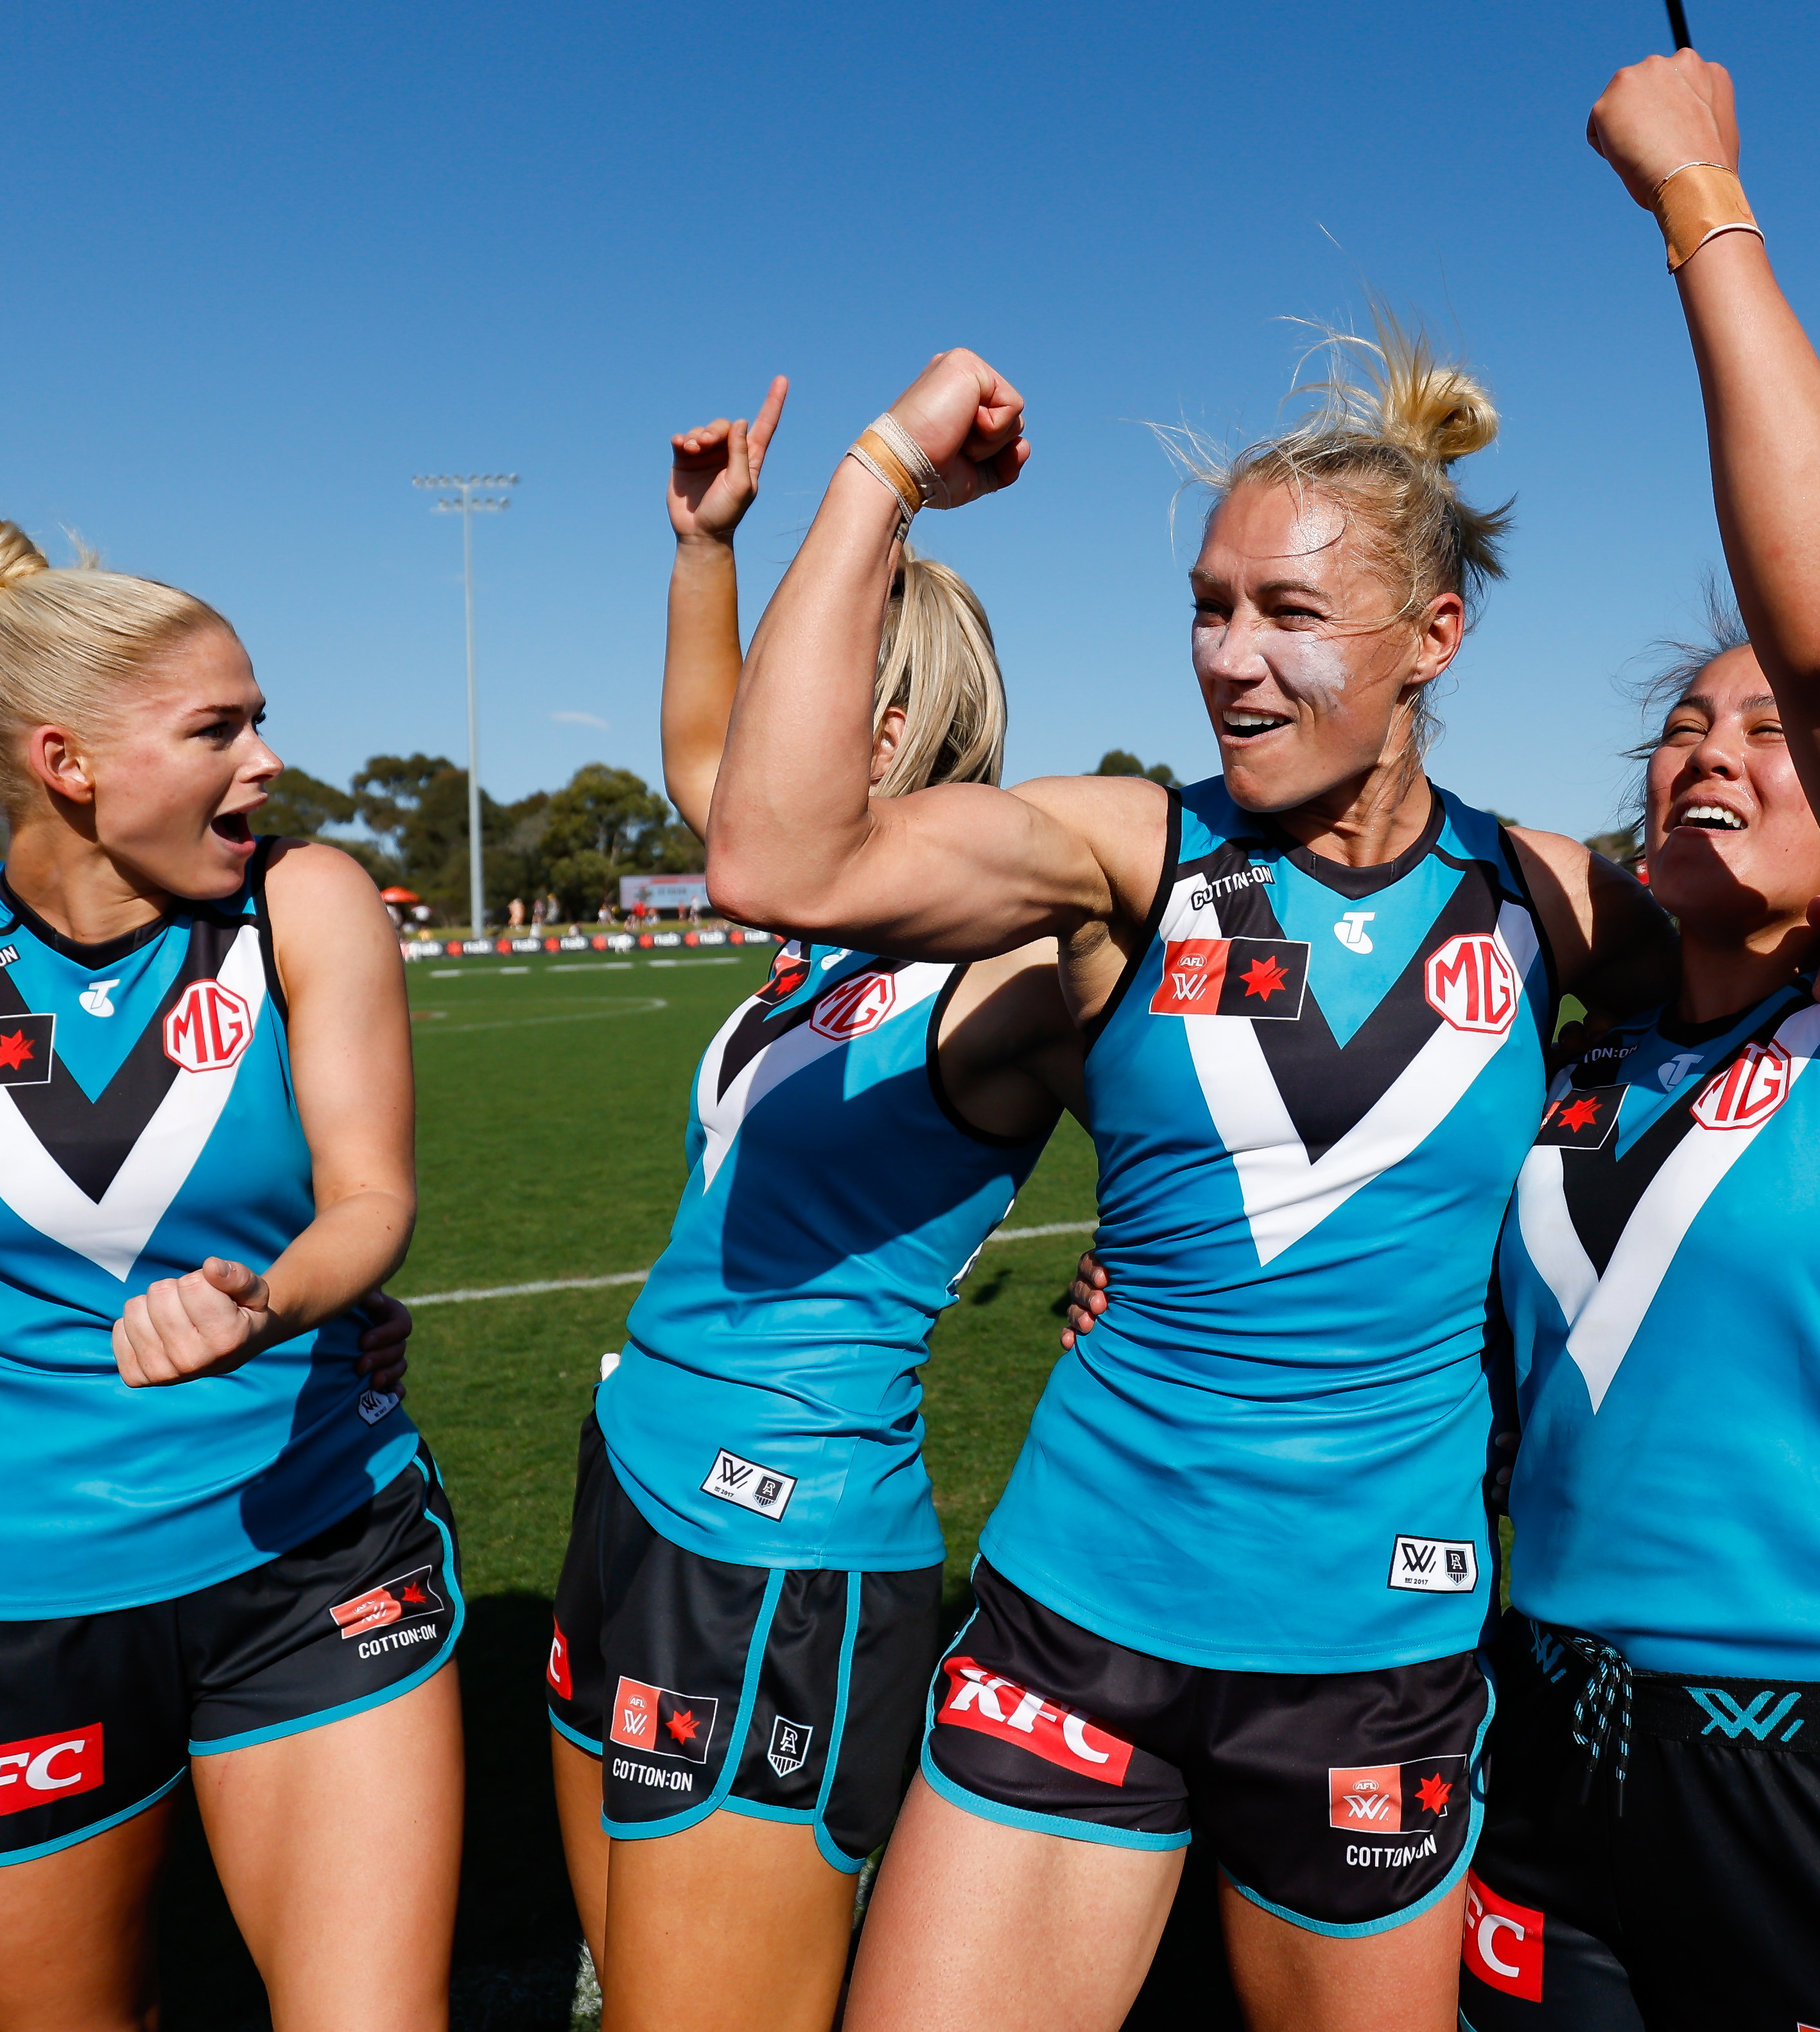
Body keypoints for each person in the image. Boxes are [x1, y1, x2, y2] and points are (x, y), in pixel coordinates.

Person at [1067, 53, 1820, 2032]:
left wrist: (1700, 202)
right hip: (1532, 1746)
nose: (1717, 743)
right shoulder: (1578, 1047)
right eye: (1684, 722)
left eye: (1769, 733)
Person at [704, 317, 1670, 2023]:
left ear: (1432, 637)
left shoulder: (1551, 900)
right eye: (1211, 607)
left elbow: (1773, 1032)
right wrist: (879, 478)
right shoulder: (1128, 850)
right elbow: (776, 850)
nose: (1229, 657)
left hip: (1373, 1647)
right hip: (1077, 1611)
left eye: (1289, 613)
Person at [0, 512, 455, 2032]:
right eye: (217, 728)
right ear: (69, 762)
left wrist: (278, 1302)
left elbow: (369, 1200)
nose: (266, 762)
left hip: (315, 1544)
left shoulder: (305, 901)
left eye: (259, 719)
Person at [542, 379, 1084, 2032]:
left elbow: (1194, 1067)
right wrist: (707, 551)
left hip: (779, 1540)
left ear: (894, 726)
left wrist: (1143, 1244)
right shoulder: (824, 929)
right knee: (625, 1984)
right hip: (633, 1476)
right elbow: (713, 761)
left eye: (811, 680)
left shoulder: (1018, 952)